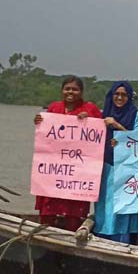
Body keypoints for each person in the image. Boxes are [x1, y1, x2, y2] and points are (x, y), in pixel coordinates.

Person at [33, 76, 102, 231]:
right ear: (62, 91)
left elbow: (99, 132)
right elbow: (45, 135)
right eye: (67, 88)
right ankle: (44, 230)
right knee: (49, 200)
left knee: (74, 205)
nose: (71, 92)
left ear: (81, 92)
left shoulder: (90, 109)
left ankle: (73, 232)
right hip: (55, 169)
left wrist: (88, 120)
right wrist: (39, 121)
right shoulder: (53, 108)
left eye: (75, 89)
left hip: (77, 170)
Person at [93, 81, 138, 243]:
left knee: (123, 206)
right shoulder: (104, 114)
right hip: (106, 166)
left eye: (124, 95)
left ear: (129, 97)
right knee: (105, 204)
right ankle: (102, 237)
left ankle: (122, 241)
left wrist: (117, 127)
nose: (120, 97)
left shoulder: (136, 115)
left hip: (127, 168)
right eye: (117, 94)